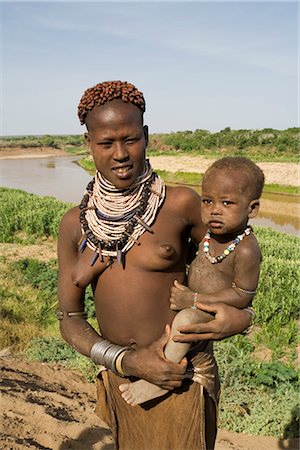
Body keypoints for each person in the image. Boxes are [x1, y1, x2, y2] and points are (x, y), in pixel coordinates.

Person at [57, 81, 253, 450]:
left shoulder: (180, 204)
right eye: (106, 143)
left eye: (130, 139)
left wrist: (239, 317)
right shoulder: (75, 225)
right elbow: (70, 318)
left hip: (181, 375)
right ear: (88, 144)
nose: (120, 154)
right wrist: (127, 361)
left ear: (146, 136)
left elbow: (236, 254)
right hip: (121, 379)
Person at [119, 156, 264, 407]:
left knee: (185, 321)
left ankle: (159, 380)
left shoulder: (247, 249)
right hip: (194, 303)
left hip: (211, 309)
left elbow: (243, 294)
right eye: (207, 201)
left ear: (252, 209)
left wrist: (195, 300)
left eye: (227, 203)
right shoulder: (208, 235)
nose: (214, 210)